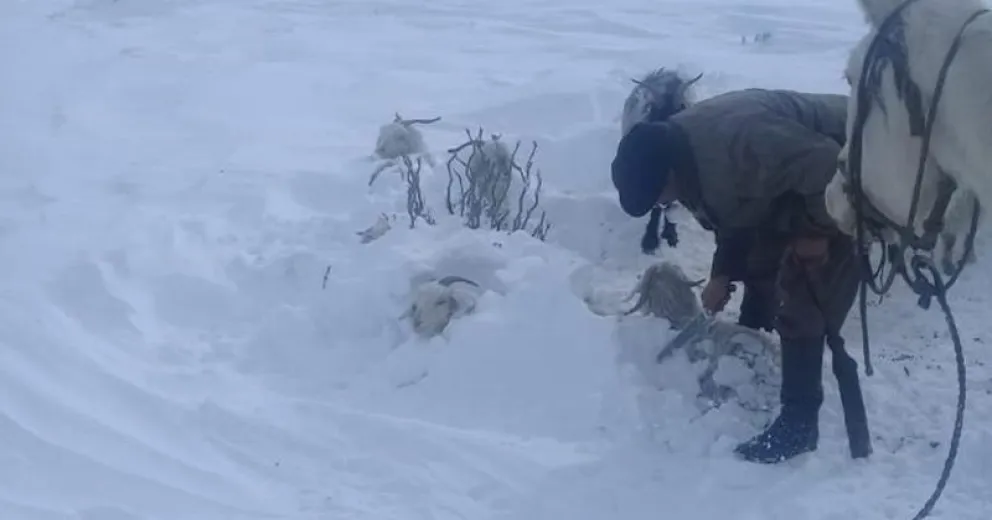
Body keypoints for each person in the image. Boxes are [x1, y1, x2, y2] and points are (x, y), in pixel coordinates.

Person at [610, 88, 862, 463]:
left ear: (668, 175)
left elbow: (826, 166)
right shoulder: (683, 155)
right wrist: (722, 274)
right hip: (803, 178)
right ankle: (751, 352)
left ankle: (799, 423)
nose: (663, 206)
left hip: (856, 162)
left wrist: (815, 234)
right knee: (761, 261)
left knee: (804, 292)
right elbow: (737, 215)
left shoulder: (740, 143)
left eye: (660, 197)